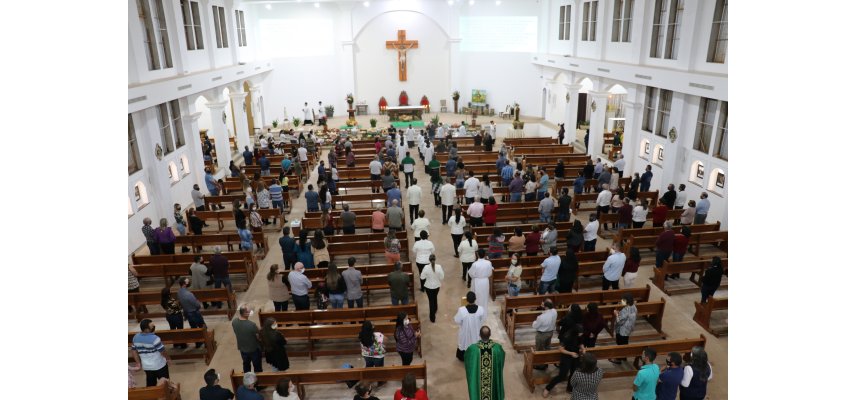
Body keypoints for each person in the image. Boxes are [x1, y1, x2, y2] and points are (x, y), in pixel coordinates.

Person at [542, 318, 582, 396]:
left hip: (576, 356)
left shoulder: (578, 335)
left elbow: (580, 343)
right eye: (580, 333)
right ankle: (548, 388)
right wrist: (571, 353)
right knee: (562, 376)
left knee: (574, 373)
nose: (581, 334)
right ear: (575, 332)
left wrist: (582, 348)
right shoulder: (567, 336)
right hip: (566, 357)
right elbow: (560, 349)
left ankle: (570, 388)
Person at [464, 326, 505, 400]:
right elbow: (501, 359)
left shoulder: (473, 349)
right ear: (490, 334)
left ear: (479, 335)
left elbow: (467, 358)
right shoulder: (497, 348)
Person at [130, 319, 171, 387]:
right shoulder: (155, 338)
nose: (154, 327)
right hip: (159, 365)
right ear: (146, 329)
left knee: (151, 384)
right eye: (152, 326)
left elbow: (133, 351)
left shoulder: (136, 337)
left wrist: (138, 363)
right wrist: (168, 359)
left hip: (147, 366)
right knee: (166, 384)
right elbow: (162, 351)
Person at [455, 291, 486, 361]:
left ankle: (463, 357)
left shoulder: (462, 310)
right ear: (475, 299)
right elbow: (482, 319)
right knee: (476, 342)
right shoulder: (481, 309)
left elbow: (457, 320)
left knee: (464, 343)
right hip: (476, 331)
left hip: (465, 333)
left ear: (467, 300)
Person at [232, 305, 263, 373]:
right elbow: (258, 337)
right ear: (245, 313)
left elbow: (236, 332)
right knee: (257, 366)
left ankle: (247, 376)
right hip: (253, 349)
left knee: (246, 364)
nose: (251, 312)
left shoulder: (234, 321)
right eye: (249, 311)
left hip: (242, 348)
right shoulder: (252, 325)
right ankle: (258, 377)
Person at [177, 277, 206, 347]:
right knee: (203, 327)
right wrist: (198, 305)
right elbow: (197, 305)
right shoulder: (189, 294)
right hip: (194, 312)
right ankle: (207, 342)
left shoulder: (179, 292)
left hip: (187, 312)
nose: (189, 282)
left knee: (193, 328)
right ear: (184, 284)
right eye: (188, 282)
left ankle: (198, 343)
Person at [609, 293, 637, 364]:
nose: (621, 301)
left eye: (623, 300)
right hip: (629, 329)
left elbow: (619, 321)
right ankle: (624, 357)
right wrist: (620, 313)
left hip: (622, 330)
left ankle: (618, 359)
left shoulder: (625, 310)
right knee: (625, 343)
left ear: (627, 301)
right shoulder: (633, 307)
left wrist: (616, 314)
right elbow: (627, 316)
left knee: (620, 344)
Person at [532, 299, 557, 370]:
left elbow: (535, 326)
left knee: (540, 350)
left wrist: (534, 322)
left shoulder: (541, 317)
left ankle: (540, 366)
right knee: (547, 347)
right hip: (550, 333)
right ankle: (546, 363)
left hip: (542, 334)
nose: (541, 305)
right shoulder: (554, 311)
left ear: (546, 307)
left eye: (543, 305)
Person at [421, 254, 445, 322]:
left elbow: (422, 277)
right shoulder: (439, 267)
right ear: (435, 259)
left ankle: (432, 317)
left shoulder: (426, 267)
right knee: (435, 297)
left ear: (429, 260)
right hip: (436, 286)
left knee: (431, 300)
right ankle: (435, 308)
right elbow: (442, 277)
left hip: (428, 287)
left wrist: (427, 276)